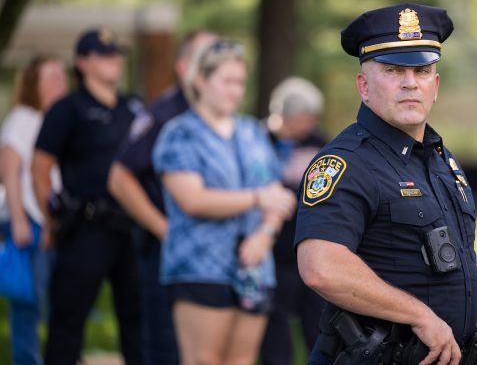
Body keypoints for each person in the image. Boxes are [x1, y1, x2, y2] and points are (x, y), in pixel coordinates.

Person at [295, 3, 477, 365]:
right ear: (364, 86)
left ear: (436, 85)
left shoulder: (441, 160)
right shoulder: (346, 162)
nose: (410, 82)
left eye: (422, 70)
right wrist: (419, 315)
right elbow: (321, 266)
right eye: (394, 70)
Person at [152, 40, 296, 365]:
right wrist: (257, 198)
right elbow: (193, 200)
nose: (236, 91)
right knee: (205, 361)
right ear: (200, 80)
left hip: (255, 268)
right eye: (227, 82)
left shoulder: (252, 132)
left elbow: (278, 196)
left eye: (240, 83)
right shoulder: (180, 134)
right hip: (200, 267)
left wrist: (265, 235)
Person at [31, 28, 143, 365]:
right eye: (103, 55)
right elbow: (40, 167)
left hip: (131, 228)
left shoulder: (133, 109)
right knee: (68, 320)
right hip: (85, 227)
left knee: (138, 320)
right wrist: (51, 218)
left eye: (116, 55)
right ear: (82, 62)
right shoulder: (67, 109)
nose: (113, 62)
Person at [108, 30, 218, 365]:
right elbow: (119, 178)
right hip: (166, 252)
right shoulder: (164, 114)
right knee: (167, 350)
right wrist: (163, 228)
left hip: (211, 253)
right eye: (207, 59)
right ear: (185, 67)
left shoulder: (220, 116)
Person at [0, 56, 68, 365]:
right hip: (31, 222)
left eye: (62, 76)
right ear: (33, 83)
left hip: (59, 223)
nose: (60, 82)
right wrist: (18, 220)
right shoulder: (23, 118)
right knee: (28, 304)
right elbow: (10, 171)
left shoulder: (61, 119)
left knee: (59, 302)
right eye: (51, 76)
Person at [260, 77, 328, 365]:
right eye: (305, 116)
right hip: (271, 253)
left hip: (309, 249)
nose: (309, 122)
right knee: (274, 336)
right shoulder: (258, 140)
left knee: (318, 329)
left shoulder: (318, 142)